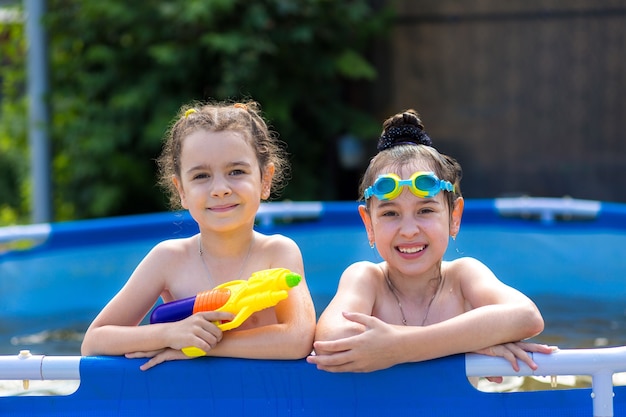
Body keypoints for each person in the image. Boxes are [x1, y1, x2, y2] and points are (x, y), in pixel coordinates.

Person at [307, 109, 554, 377]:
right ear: (369, 224)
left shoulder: (463, 276)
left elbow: (527, 317)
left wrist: (398, 348)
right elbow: (331, 341)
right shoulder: (366, 279)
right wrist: (467, 342)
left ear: (454, 217)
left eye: (425, 211)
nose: (409, 231)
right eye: (390, 213)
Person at [82, 100, 316, 370]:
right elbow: (93, 341)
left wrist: (203, 347)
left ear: (265, 180)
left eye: (236, 172)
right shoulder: (168, 259)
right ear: (181, 190)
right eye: (201, 176)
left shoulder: (278, 253)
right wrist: (170, 334)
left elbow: (299, 337)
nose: (219, 189)